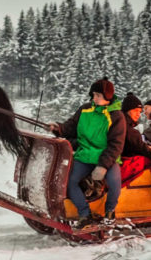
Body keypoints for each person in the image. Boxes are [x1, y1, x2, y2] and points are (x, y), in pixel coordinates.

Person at [48, 78, 126, 228]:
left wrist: (103, 166)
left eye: (98, 95)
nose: (94, 98)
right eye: (94, 95)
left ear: (107, 97)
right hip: (84, 155)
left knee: (114, 183)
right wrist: (58, 128)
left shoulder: (117, 116)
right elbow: (70, 126)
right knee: (70, 182)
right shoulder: (85, 109)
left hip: (106, 158)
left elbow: (116, 145)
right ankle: (85, 214)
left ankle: (110, 212)